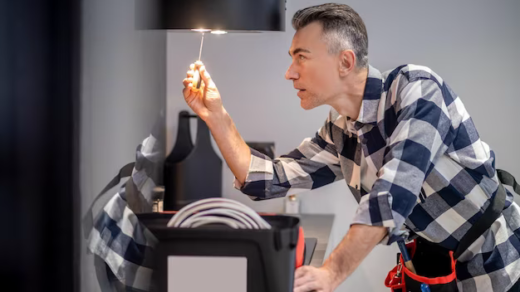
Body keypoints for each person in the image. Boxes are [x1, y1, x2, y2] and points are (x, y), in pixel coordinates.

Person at [182, 3, 520, 292]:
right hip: (434, 262)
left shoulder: (417, 88)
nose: (289, 73)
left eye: (301, 58)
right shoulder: (340, 129)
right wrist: (216, 116)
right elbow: (265, 179)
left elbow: (392, 193)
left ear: (345, 61)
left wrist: (331, 272)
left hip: (497, 257)